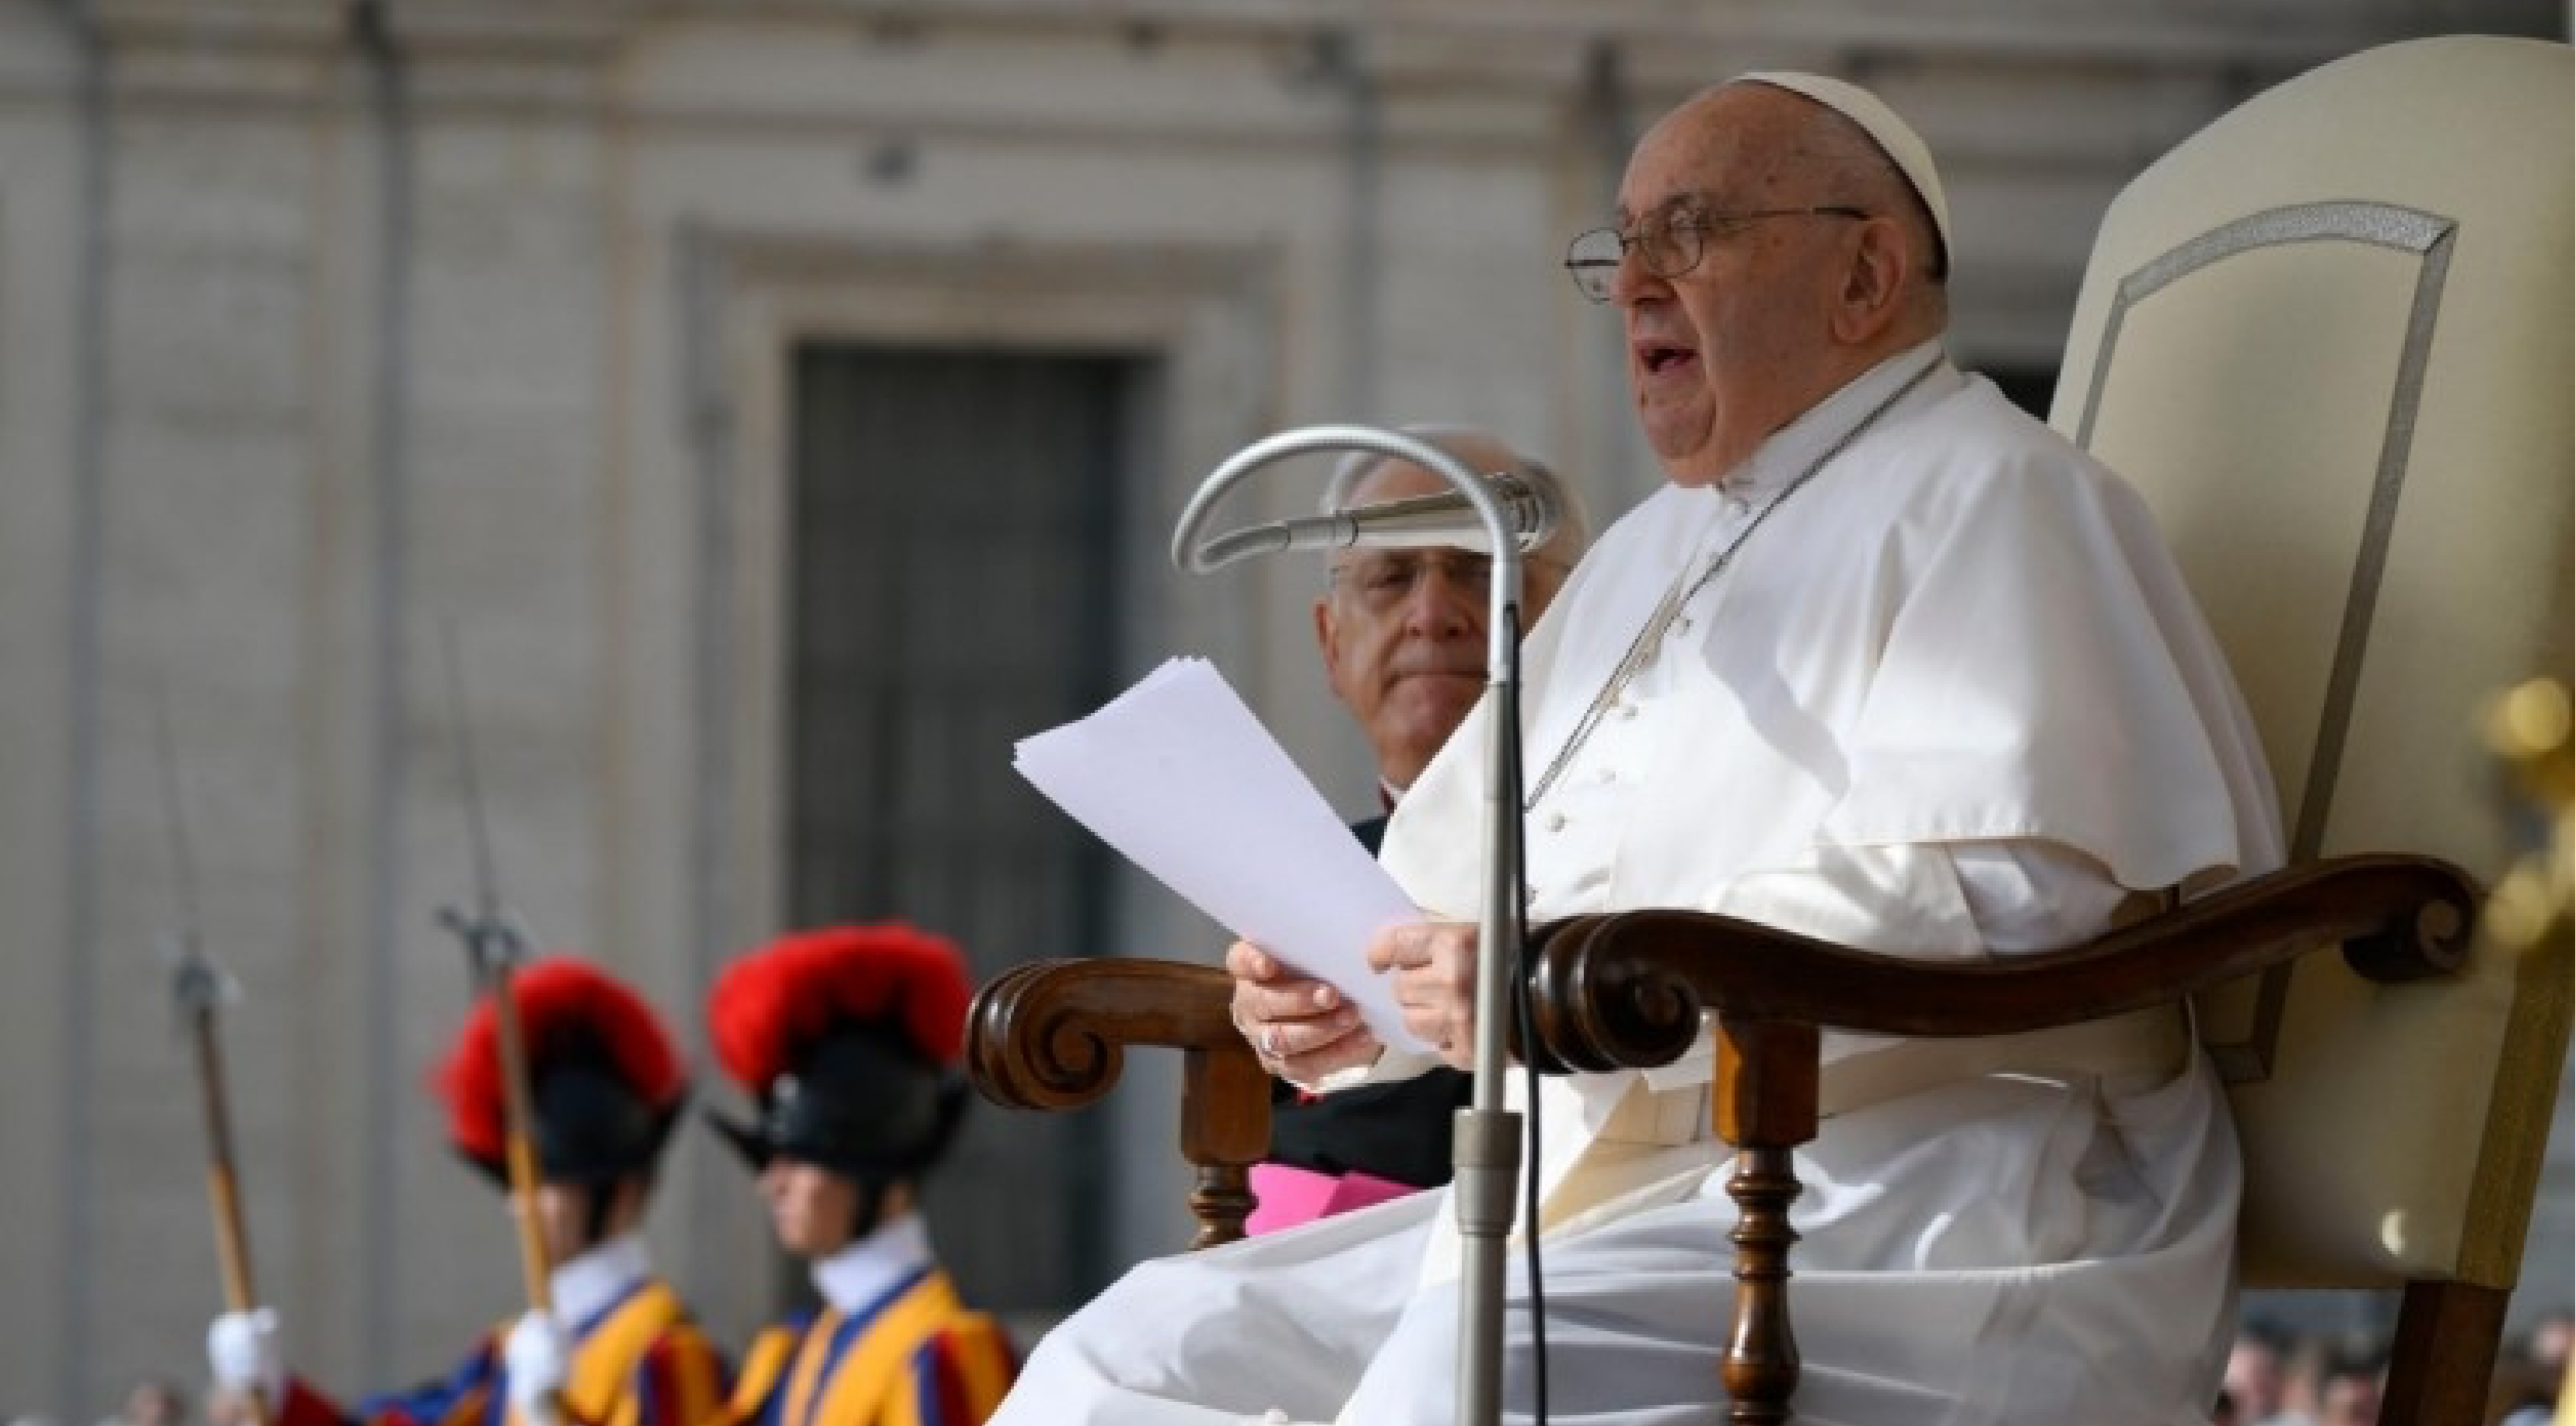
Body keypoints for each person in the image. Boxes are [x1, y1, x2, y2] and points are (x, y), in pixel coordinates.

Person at [991, 66, 2281, 1426]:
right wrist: (1339, 997)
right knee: (1127, 1354)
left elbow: (2016, 885)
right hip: (1615, 1189)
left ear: (1864, 276)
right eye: (1619, 246)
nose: (1632, 286)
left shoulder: (2004, 494)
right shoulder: (1645, 553)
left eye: (1691, 233)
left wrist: (1570, 971)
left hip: (1927, 1183)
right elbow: (1444, 901)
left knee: (1454, 1382)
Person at [1250, 428, 1590, 1234]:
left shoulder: (1634, 844)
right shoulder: (1302, 868)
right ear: (1331, 644)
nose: (1432, 615)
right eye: (1391, 577)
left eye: (1478, 569)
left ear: (1581, 619)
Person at [205, 958, 728, 1426]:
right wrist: (279, 1398)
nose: (518, 1206)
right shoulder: (506, 1355)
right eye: (513, 1186)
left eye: (543, 1186)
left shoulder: (669, 1356)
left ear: (623, 1193)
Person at [702, 924, 1016, 1426]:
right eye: (771, 1160)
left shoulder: (945, 1353)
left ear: (876, 1163)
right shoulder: (791, 1351)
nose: (772, 1184)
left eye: (801, 1158)